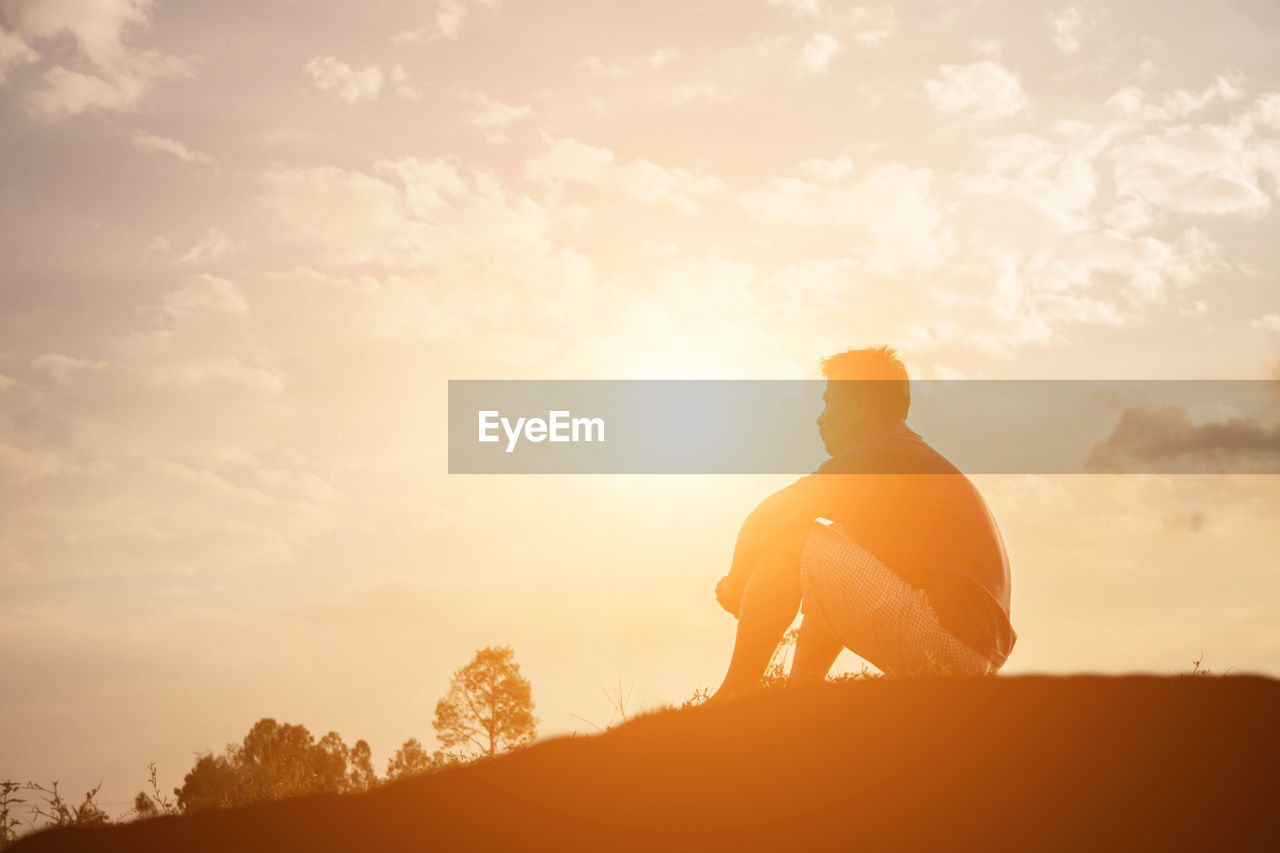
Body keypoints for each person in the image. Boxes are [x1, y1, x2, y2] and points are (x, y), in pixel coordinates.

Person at [711, 346, 1015, 701]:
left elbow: (770, 515)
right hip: (972, 655)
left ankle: (734, 694)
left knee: (793, 539)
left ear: (858, 403)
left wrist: (736, 583)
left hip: (946, 641)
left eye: (829, 401)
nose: (820, 418)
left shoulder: (880, 455)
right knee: (833, 550)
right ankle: (799, 694)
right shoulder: (908, 456)